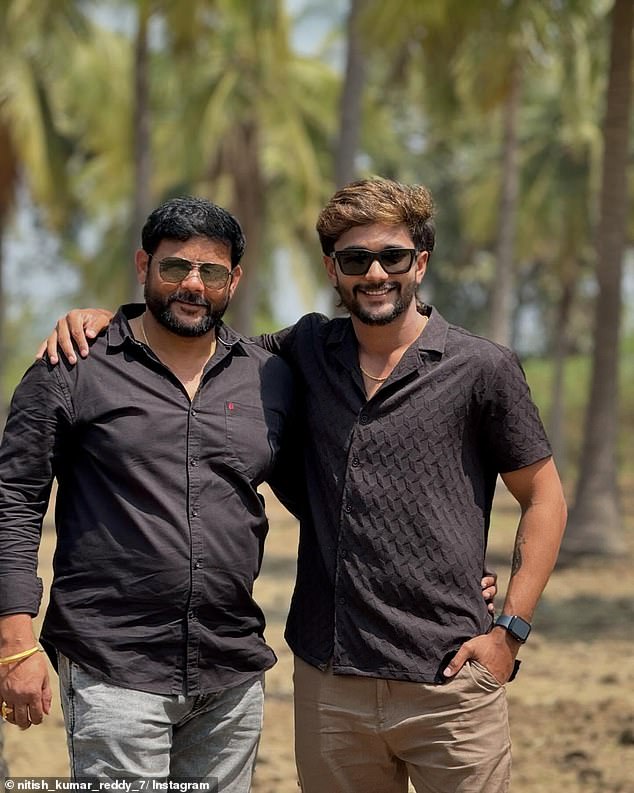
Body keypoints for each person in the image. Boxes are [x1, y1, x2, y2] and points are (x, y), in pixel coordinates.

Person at [35, 178, 559, 793]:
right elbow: (194, 343)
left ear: (420, 262)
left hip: (451, 679)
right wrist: (109, 322)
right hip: (328, 681)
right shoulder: (302, 351)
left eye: (391, 257)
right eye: (355, 259)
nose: (375, 274)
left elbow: (544, 497)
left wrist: (510, 634)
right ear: (331, 269)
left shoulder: (483, 368)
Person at [0, 196, 297, 789]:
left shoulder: (267, 377)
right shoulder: (74, 365)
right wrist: (14, 641)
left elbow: (335, 495)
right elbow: (14, 501)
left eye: (211, 272)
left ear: (233, 279)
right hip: (114, 667)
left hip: (230, 672)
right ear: (143, 266)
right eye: (174, 267)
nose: (193, 284)